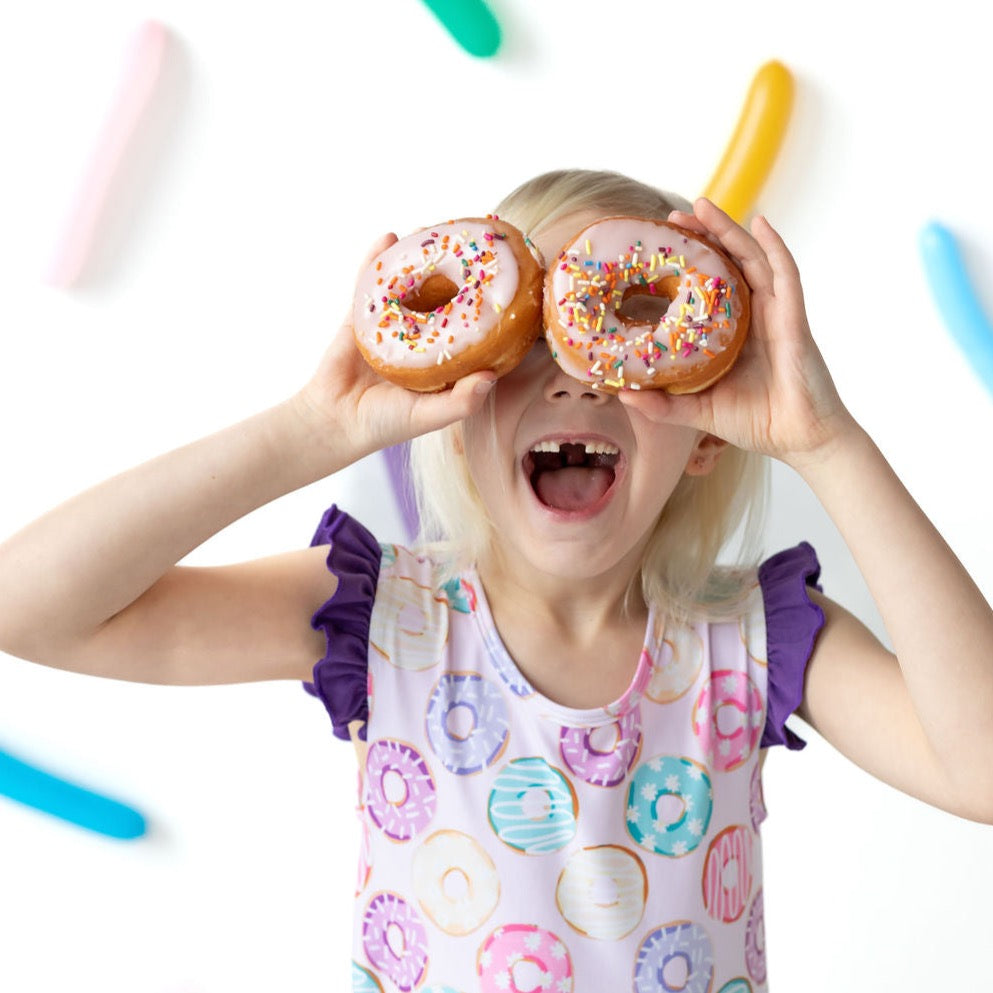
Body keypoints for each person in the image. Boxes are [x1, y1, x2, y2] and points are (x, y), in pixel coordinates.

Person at [0, 168, 991, 992]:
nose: (575, 379)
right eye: (523, 351)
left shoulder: (754, 639)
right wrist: (308, 430)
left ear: (702, 436)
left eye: (625, 335)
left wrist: (829, 443)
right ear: (457, 414)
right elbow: (32, 607)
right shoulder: (384, 619)